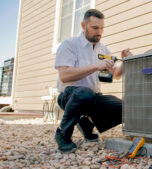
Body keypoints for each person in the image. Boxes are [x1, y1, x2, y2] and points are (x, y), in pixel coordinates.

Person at [54, 9, 132, 153]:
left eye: (102, 28)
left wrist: (126, 62)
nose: (99, 32)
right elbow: (64, 75)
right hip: (69, 96)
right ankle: (63, 135)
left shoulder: (103, 49)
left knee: (126, 108)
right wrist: (96, 66)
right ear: (84, 25)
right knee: (84, 93)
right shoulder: (69, 44)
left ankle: (86, 123)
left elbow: (116, 74)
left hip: (93, 97)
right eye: (95, 28)